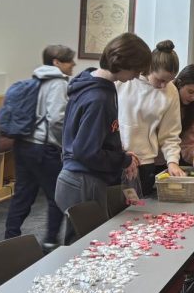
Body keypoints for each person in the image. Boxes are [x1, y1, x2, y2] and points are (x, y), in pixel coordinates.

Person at [55, 33, 150, 240]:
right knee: (86, 247)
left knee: (84, 244)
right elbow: (86, 151)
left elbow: (99, 137)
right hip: (83, 180)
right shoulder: (98, 97)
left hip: (79, 178)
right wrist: (122, 159)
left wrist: (121, 153)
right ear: (122, 63)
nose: (136, 76)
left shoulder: (95, 84)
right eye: (135, 70)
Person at [3, 43, 74, 248]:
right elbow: (56, 119)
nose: (73, 64)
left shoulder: (34, 79)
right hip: (44, 148)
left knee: (23, 195)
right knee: (56, 196)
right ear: (57, 62)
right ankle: (51, 240)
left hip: (23, 144)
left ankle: (10, 239)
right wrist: (65, 143)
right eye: (69, 60)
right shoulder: (58, 83)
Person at [117, 40, 185, 197]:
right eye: (160, 80)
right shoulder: (125, 81)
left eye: (168, 81)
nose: (163, 86)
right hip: (117, 160)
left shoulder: (171, 91)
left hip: (144, 164)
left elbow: (170, 134)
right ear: (149, 68)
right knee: (114, 215)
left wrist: (172, 161)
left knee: (138, 214)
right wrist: (119, 153)